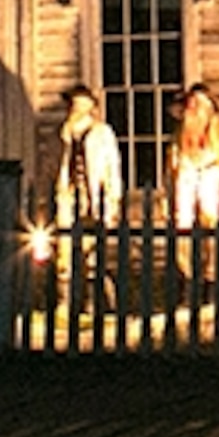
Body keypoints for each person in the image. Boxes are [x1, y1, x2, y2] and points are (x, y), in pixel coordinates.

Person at [52, 84, 124, 312]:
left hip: (94, 195)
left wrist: (113, 197)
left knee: (93, 248)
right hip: (70, 195)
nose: (78, 107)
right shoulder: (63, 134)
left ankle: (96, 301)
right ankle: (65, 301)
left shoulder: (102, 133)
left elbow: (112, 166)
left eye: (83, 102)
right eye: (75, 103)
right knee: (65, 248)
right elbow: (55, 165)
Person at [171, 84, 219, 228]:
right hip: (186, 203)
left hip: (216, 201)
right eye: (190, 104)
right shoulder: (179, 136)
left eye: (197, 104)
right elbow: (172, 169)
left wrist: (216, 171)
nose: (192, 109)